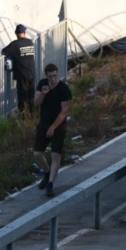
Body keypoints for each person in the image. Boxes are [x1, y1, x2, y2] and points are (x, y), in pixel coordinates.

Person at [34, 63, 72, 198]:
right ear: (47, 76)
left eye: (55, 76)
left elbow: (64, 111)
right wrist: (43, 94)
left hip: (58, 125)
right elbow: (36, 103)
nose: (53, 79)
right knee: (37, 154)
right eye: (50, 76)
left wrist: (53, 127)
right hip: (44, 123)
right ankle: (46, 172)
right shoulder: (43, 84)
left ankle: (50, 183)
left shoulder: (63, 89)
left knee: (56, 155)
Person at [2, 24, 36, 113]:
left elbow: (3, 51)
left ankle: (24, 116)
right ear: (24, 33)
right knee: (31, 94)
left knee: (22, 97)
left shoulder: (15, 44)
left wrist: (12, 55)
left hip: (22, 74)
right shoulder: (30, 42)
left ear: (16, 34)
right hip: (32, 73)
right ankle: (32, 114)